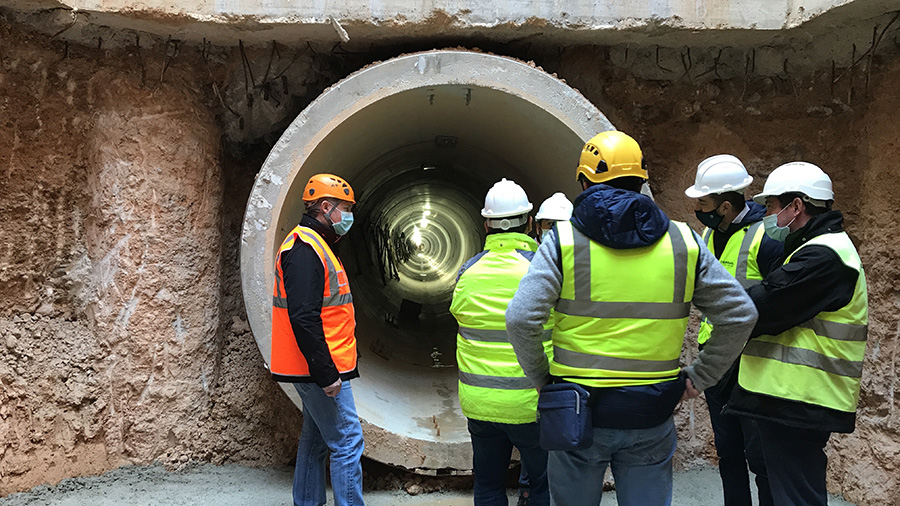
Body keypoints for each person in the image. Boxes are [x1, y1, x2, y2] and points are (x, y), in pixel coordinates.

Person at [505, 131, 758, 506]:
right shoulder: (683, 242)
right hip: (651, 413)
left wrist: (543, 380)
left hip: (578, 410)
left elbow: (521, 319)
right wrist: (700, 376)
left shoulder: (564, 242)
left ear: (584, 181)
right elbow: (740, 314)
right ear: (641, 181)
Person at [724, 162, 868, 506]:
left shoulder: (825, 256)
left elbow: (763, 306)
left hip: (802, 400)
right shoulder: (813, 247)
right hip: (791, 399)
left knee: (797, 497)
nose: (768, 214)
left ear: (797, 206)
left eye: (772, 206)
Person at [684, 154, 781, 506]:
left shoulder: (766, 238)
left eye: (704, 202)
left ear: (725, 206)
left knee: (760, 456)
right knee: (728, 451)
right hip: (718, 360)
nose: (697, 207)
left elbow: (779, 301)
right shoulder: (708, 234)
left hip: (755, 360)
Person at [451, 178, 551, 506]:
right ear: (531, 222)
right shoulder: (541, 271)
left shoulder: (467, 273)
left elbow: (457, 313)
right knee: (542, 485)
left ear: (485, 224)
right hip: (531, 404)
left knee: (489, 485)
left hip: (480, 403)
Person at [270, 173, 364, 506]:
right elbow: (304, 317)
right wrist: (326, 373)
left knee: (316, 440)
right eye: (345, 208)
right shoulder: (304, 250)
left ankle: (307, 502)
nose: (348, 216)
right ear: (326, 207)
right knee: (348, 441)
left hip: (315, 363)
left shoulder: (318, 244)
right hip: (316, 368)